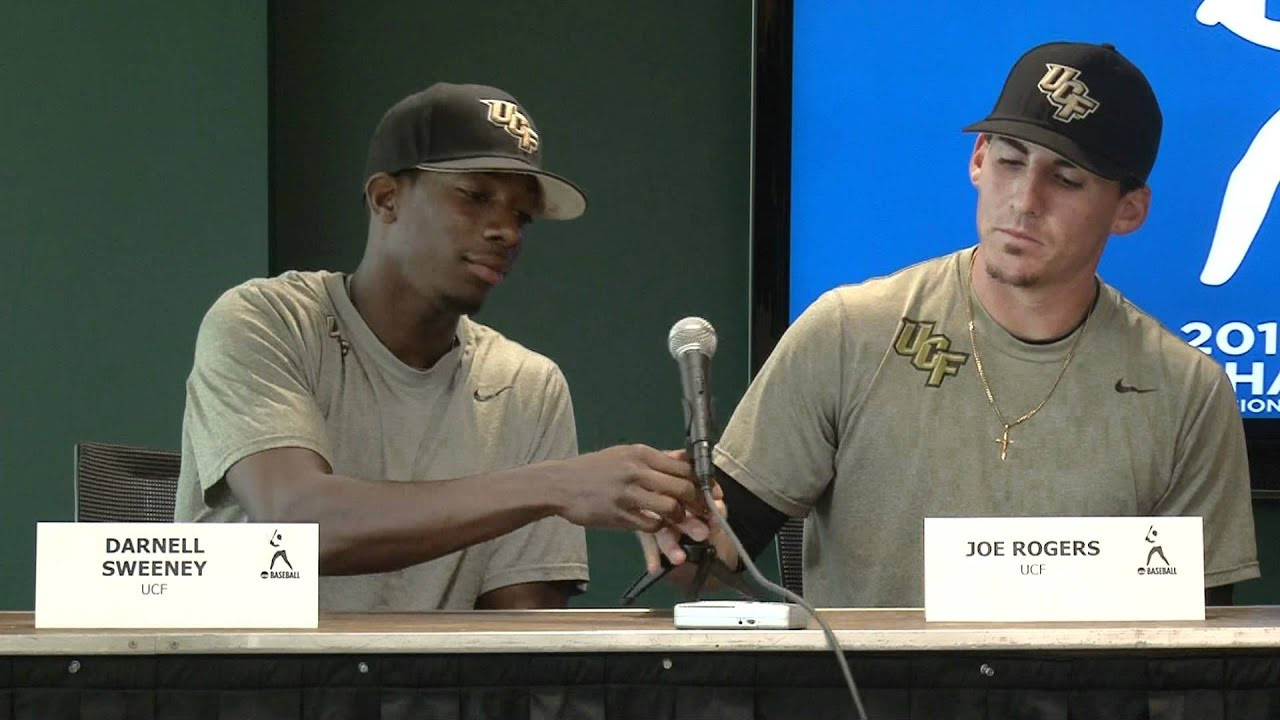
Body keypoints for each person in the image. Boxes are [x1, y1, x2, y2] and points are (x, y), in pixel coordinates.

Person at [643, 41, 1260, 607]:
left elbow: (1200, 638)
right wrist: (682, 535)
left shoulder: (1187, 392)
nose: (1025, 199)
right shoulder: (847, 331)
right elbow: (716, 550)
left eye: (1066, 179)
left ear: (1129, 210)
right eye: (1011, 162)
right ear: (978, 160)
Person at [175, 82, 709, 611]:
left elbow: (523, 635)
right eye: (475, 196)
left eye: (521, 215)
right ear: (386, 199)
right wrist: (557, 485)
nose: (506, 230)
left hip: (427, 697)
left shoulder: (525, 384)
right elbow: (295, 521)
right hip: (247, 687)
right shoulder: (266, 320)